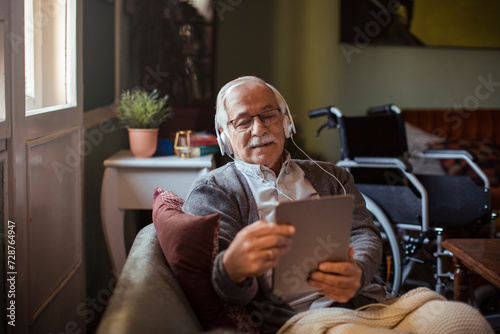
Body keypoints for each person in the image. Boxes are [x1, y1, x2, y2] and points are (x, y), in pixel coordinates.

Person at [182, 76, 386, 333]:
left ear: (286, 122)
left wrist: (358, 271)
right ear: (224, 137)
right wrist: (231, 269)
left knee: (452, 316)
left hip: (363, 306)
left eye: (268, 116)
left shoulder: (334, 177)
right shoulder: (213, 192)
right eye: (243, 122)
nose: (259, 129)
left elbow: (363, 233)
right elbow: (214, 283)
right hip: (295, 323)